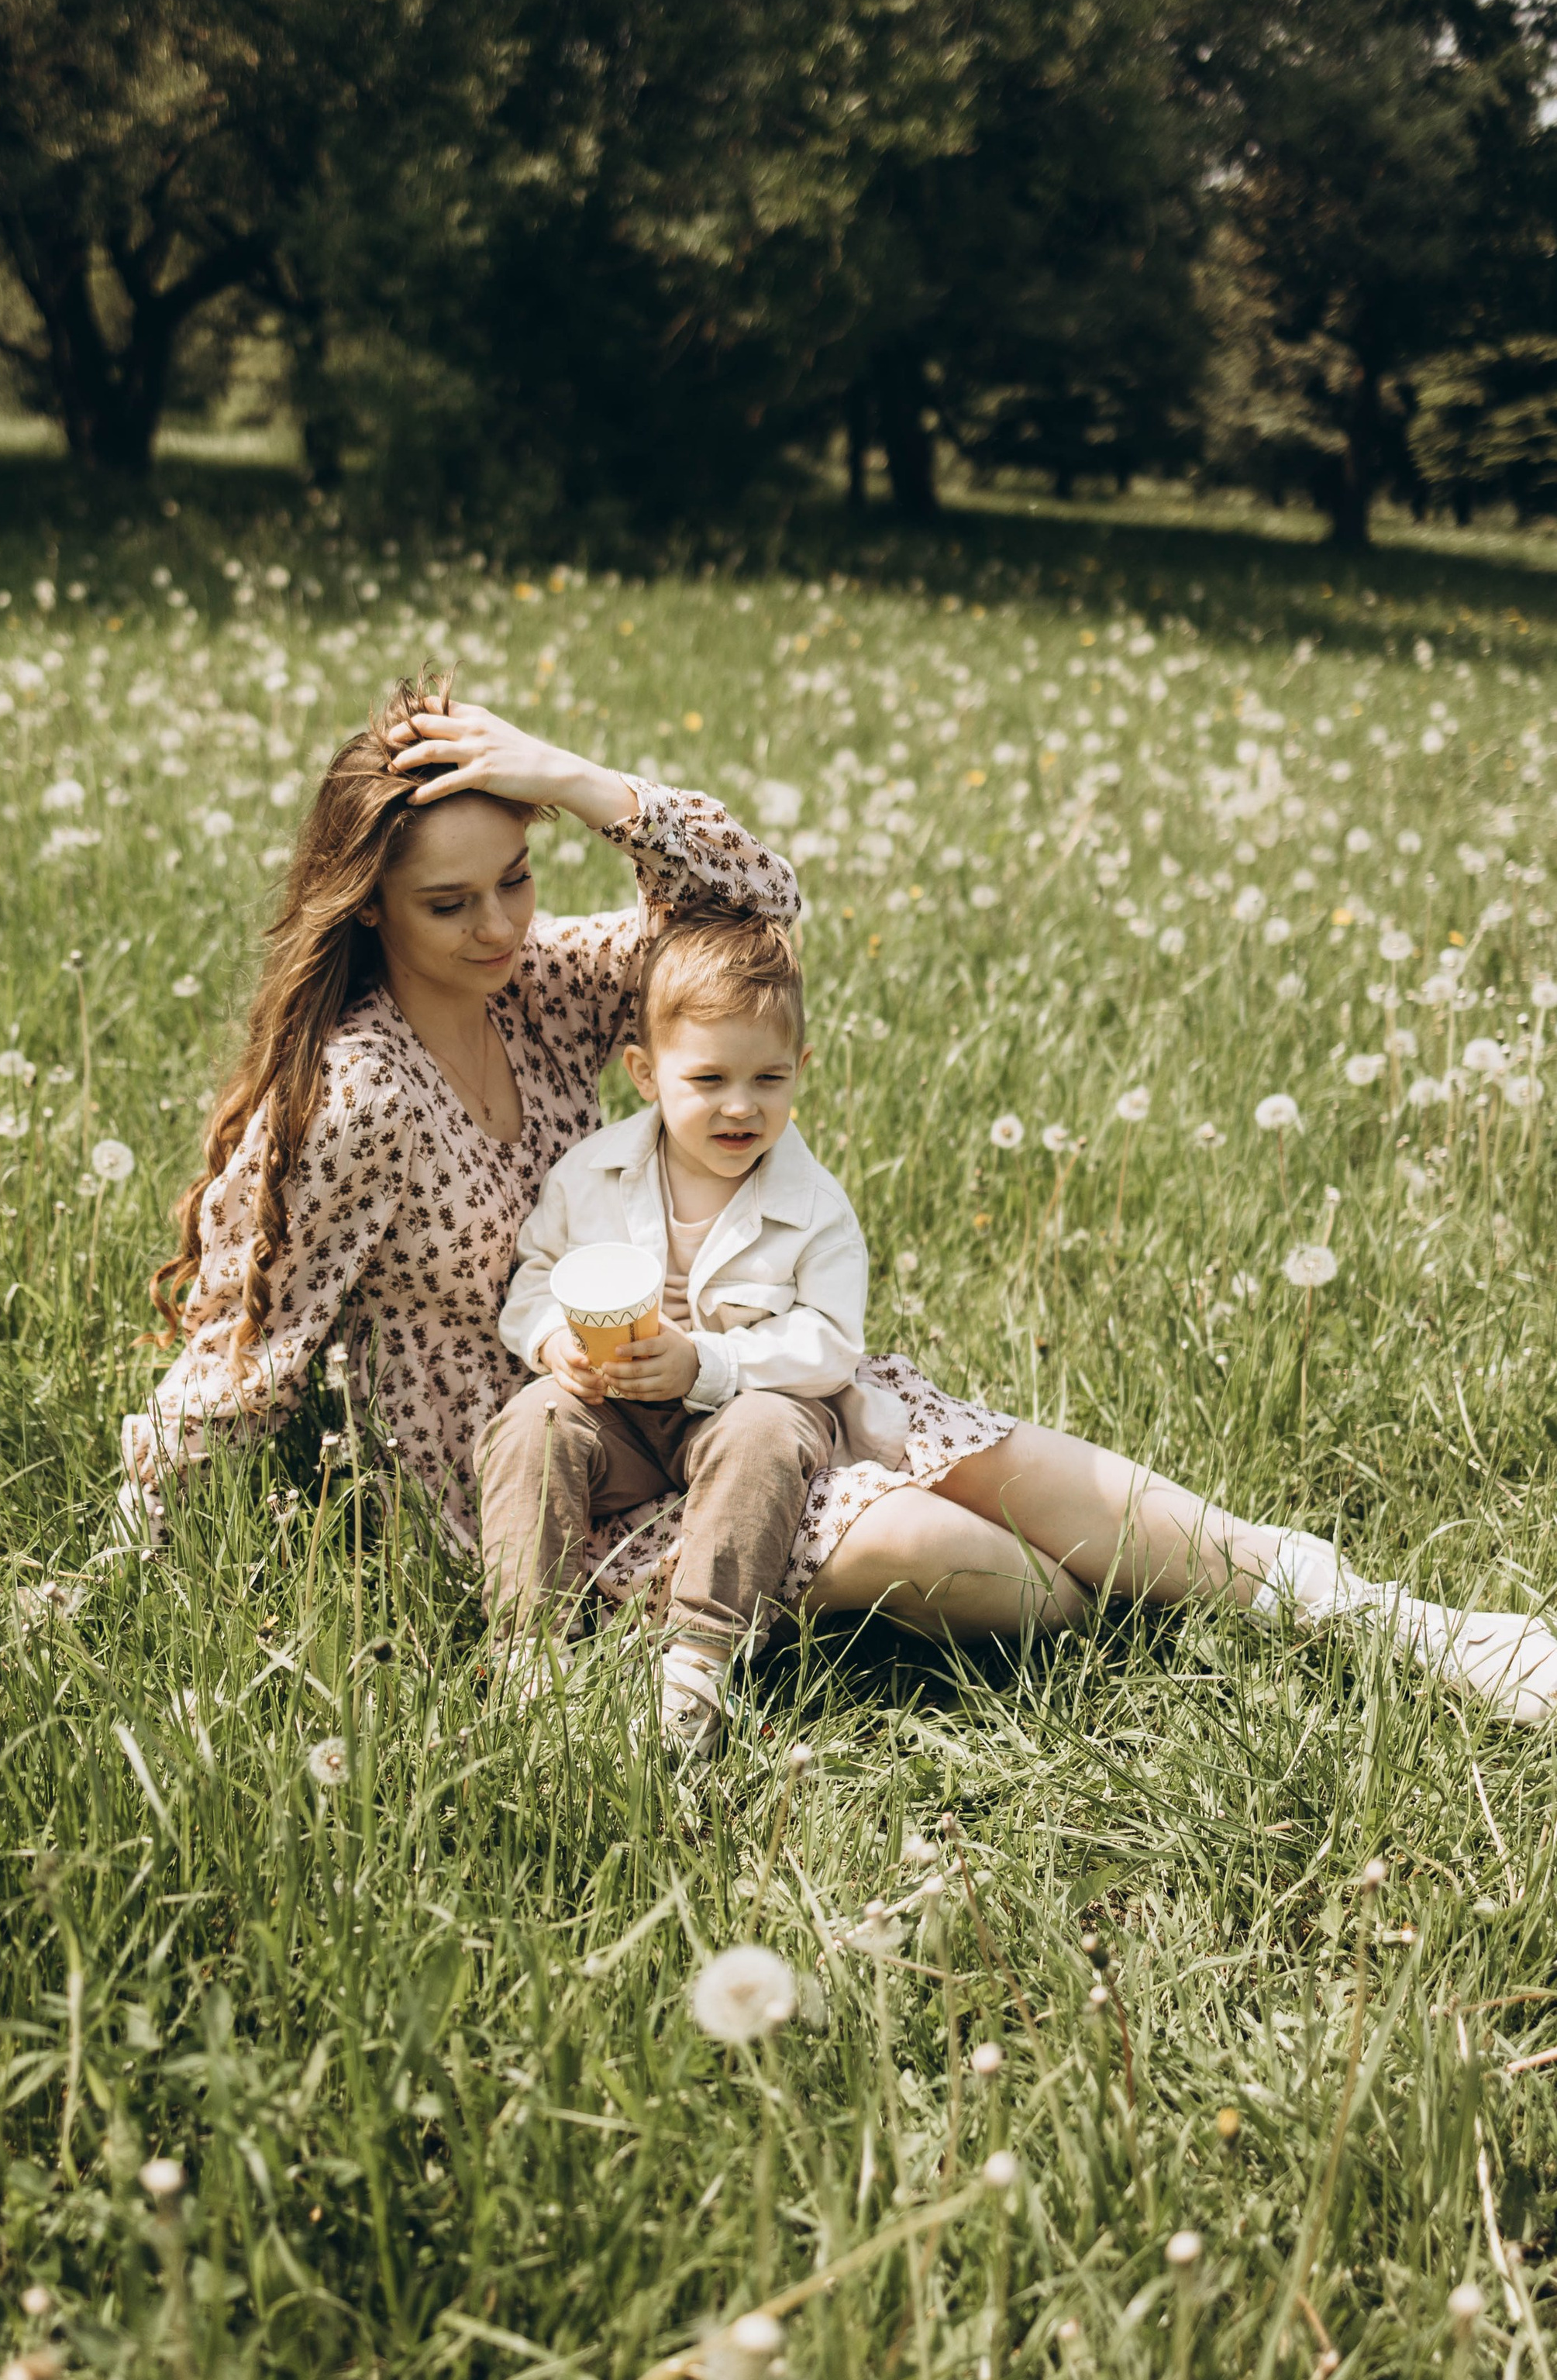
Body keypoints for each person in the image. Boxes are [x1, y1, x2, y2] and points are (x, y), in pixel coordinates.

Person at [123, 680, 1557, 1726]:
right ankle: (1126, 1617)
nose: (500, 925)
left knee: (1006, 1464)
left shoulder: (543, 986)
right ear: (368, 904)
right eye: (452, 904)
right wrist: (131, 1554)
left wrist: (577, 778)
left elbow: (755, 906)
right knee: (991, 1570)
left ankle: (1403, 1627)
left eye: (518, 878)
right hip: (551, 1472)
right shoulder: (355, 1096)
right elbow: (245, 1350)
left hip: (723, 1365)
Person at [487, 907, 902, 1761]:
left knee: (762, 1431)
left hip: (748, 1404)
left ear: (801, 1070)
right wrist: (554, 1341)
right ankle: (532, 1652)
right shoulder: (591, 1174)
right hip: (621, 1412)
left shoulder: (813, 1206)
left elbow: (830, 1343)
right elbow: (533, 1278)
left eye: (769, 1079)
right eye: (708, 1079)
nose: (740, 1106)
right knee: (533, 1419)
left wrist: (705, 1363)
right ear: (645, 1074)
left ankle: (698, 1664)